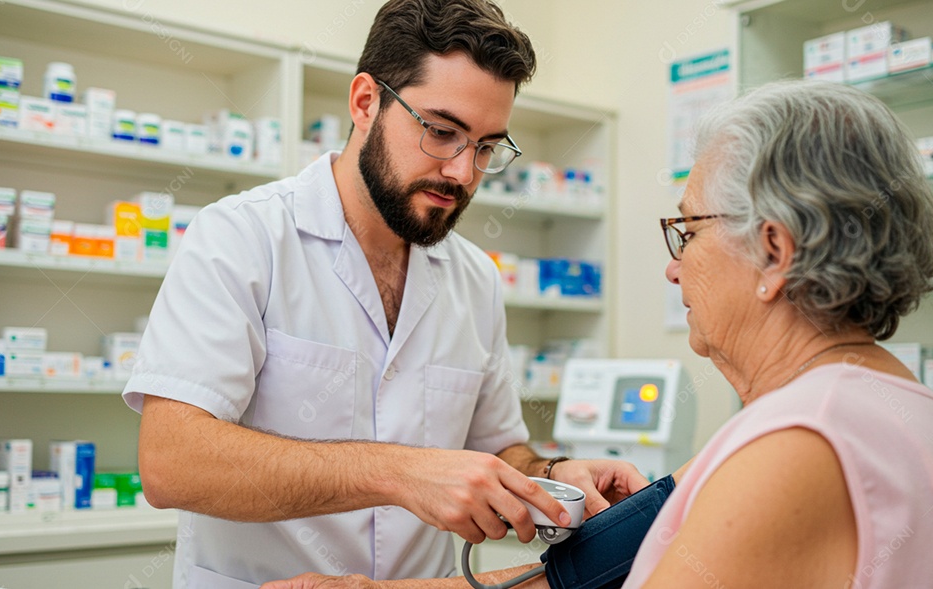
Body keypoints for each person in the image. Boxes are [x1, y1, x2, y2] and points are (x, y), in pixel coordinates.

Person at [259, 81, 933, 589]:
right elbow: (581, 576)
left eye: (687, 230)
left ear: (775, 251)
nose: (671, 265)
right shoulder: (887, 404)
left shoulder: (799, 445)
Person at [123, 1, 648, 587]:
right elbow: (171, 463)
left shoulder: (473, 278)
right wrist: (402, 473)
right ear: (365, 102)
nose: (462, 172)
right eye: (442, 132)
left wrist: (551, 473)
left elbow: (499, 448)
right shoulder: (243, 238)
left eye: (485, 147)